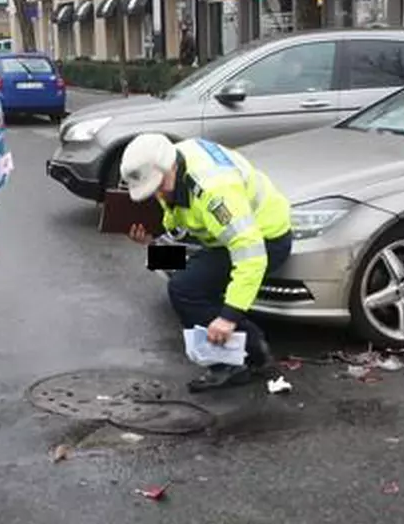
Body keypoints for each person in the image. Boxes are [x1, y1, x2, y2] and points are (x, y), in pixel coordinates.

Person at [121, 134, 293, 392]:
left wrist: (228, 317)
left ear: (170, 168)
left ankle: (238, 359)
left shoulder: (215, 193)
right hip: (215, 237)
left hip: (263, 239)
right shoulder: (169, 160)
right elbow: (180, 219)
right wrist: (153, 240)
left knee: (184, 289)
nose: (157, 194)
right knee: (162, 260)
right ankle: (251, 346)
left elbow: (251, 254)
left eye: (158, 186)